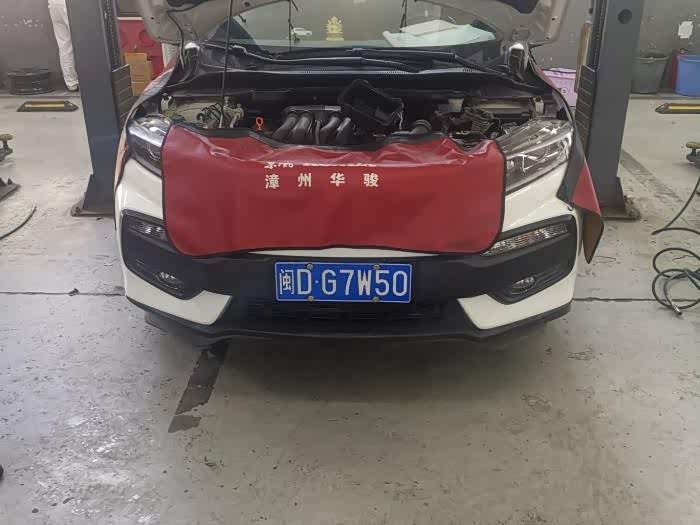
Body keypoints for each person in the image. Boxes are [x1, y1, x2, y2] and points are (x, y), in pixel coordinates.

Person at [48, 0, 79, 91]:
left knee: (64, 45)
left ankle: (71, 83)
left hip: (53, 5)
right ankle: (89, 79)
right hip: (68, 4)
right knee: (81, 40)